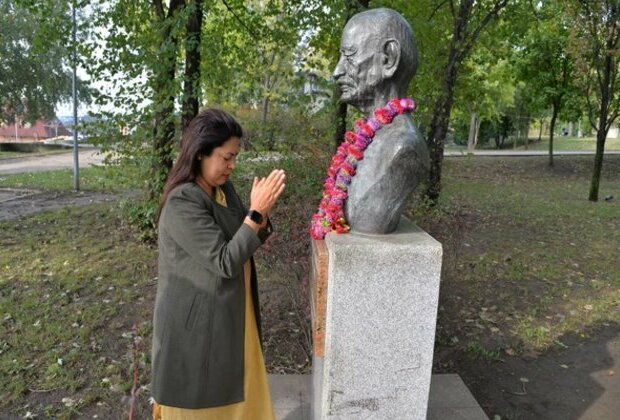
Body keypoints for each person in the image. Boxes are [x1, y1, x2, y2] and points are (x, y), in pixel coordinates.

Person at [151, 108, 286, 419]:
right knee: (203, 398)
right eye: (226, 157)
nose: (232, 165)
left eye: (235, 156)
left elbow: (246, 235)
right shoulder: (183, 202)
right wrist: (255, 213)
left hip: (232, 313)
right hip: (196, 325)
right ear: (201, 153)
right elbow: (225, 260)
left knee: (240, 392)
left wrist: (259, 214)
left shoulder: (221, 189)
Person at [333, 8, 429, 234]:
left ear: (389, 59)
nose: (337, 71)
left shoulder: (403, 148)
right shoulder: (365, 138)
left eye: (349, 56)